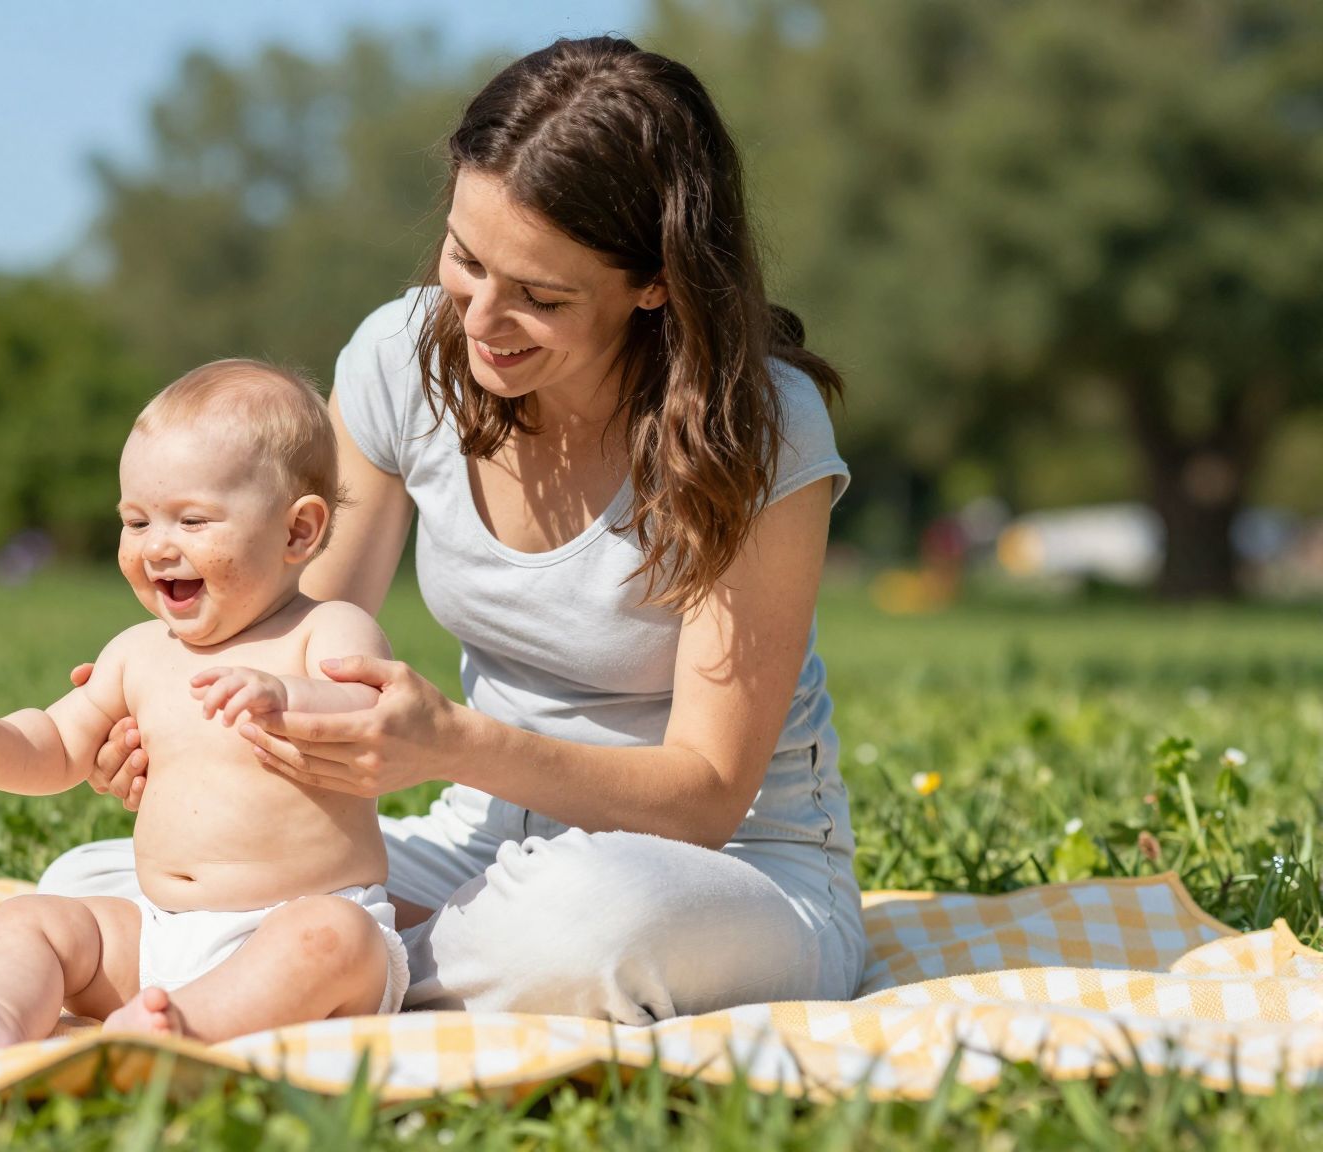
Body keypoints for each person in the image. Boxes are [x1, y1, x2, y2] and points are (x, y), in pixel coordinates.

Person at [44, 35, 867, 1025]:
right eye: (465, 261)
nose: (480, 319)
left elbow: (706, 794)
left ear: (654, 281)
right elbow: (287, 634)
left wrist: (447, 743)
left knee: (583, 926)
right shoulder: (401, 360)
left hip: (720, 871)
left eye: (540, 297)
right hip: (475, 846)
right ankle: (334, 964)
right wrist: (181, 731)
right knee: (86, 881)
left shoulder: (758, 427)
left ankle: (329, 968)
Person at [0, 360, 411, 1051]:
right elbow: (57, 746)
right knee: (31, 918)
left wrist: (288, 696)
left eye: (192, 520)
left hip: (296, 925)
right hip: (160, 933)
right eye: (136, 521)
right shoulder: (138, 651)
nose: (157, 546)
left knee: (334, 939)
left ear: (296, 532)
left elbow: (369, 714)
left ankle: (183, 1028)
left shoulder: (325, 630)